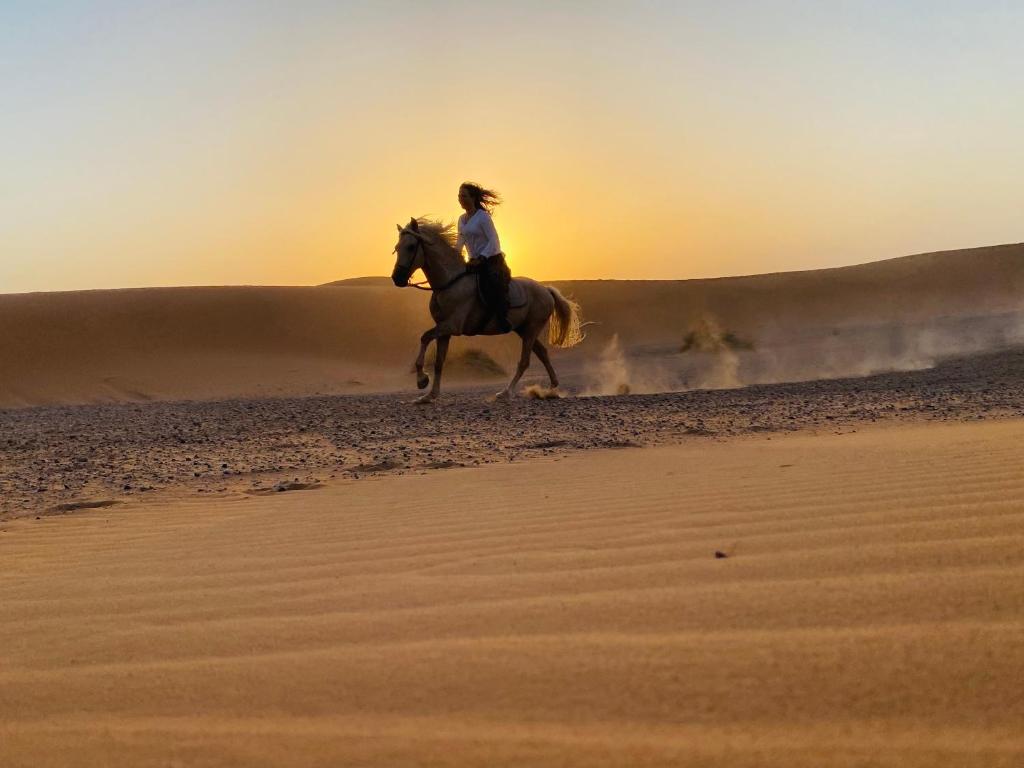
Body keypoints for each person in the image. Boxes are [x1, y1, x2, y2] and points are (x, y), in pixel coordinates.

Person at [455, 182, 512, 332]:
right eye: (459, 196)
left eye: (463, 196)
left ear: (473, 198)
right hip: (472, 261)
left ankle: (502, 317)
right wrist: (455, 256)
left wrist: (482, 258)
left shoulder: (483, 217)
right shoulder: (461, 219)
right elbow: (460, 241)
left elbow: (494, 240)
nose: (460, 199)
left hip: (491, 260)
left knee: (491, 284)